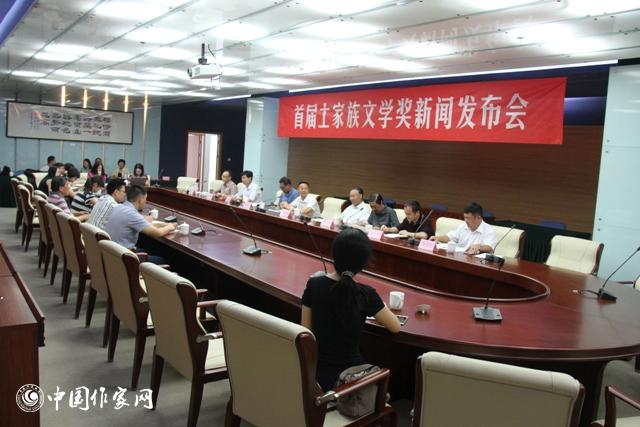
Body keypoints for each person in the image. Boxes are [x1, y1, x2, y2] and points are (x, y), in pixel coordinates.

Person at [301, 228, 400, 391]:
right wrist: (381, 305)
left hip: (316, 378)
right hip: (351, 384)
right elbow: (395, 327)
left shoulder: (314, 284)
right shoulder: (366, 293)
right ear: (363, 263)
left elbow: (305, 334)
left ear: (334, 254)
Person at [106, 185, 176, 264]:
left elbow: (144, 224)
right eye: (145, 199)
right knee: (166, 260)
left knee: (150, 250)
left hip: (114, 254)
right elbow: (157, 233)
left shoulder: (119, 207)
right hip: (126, 258)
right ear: (141, 200)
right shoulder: (131, 214)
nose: (146, 201)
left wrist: (163, 225)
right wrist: (170, 227)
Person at [431, 202, 496, 254]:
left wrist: (479, 247)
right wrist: (437, 238)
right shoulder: (463, 226)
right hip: (460, 256)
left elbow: (489, 247)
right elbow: (450, 237)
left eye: (468, 218)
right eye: (465, 217)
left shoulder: (489, 230)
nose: (465, 221)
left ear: (478, 218)